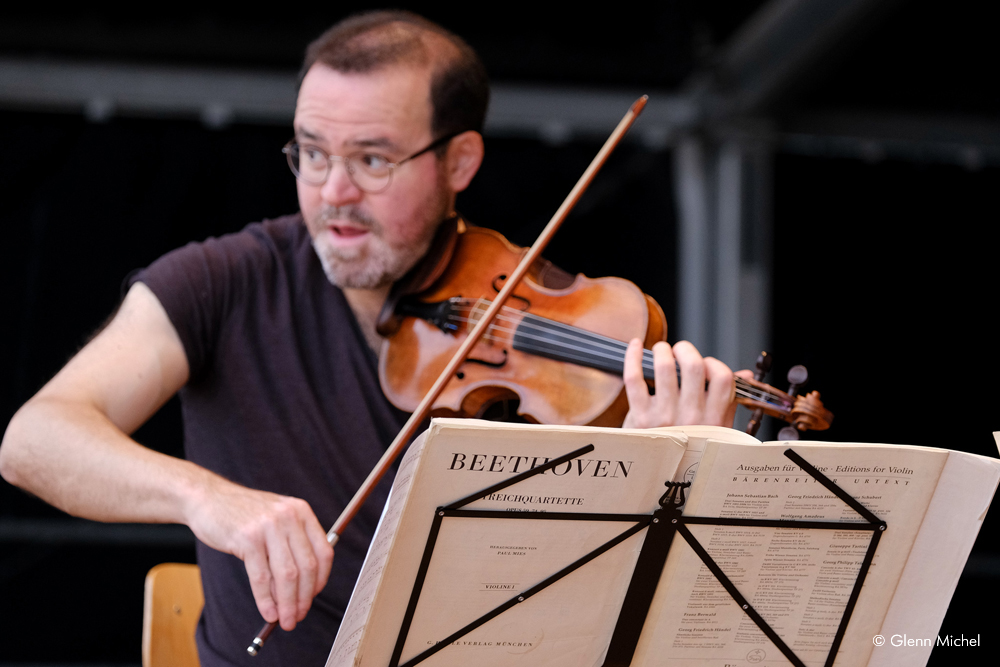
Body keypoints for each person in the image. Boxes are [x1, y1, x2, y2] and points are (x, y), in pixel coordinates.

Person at [0, 11, 740, 666]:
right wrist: (207, 498)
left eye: (373, 160)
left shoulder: (529, 311)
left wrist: (655, 479)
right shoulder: (226, 280)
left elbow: (579, 615)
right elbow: (35, 438)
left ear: (460, 162)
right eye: (312, 152)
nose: (334, 192)